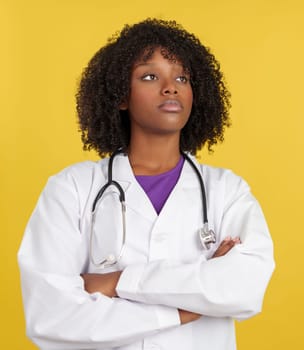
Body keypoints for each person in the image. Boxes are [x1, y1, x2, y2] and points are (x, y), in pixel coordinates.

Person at [18, 18, 275, 349]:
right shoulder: (72, 189)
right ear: (121, 96)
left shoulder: (227, 192)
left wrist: (116, 282)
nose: (171, 87)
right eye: (150, 76)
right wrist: (187, 306)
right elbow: (51, 316)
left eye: (181, 77)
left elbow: (243, 289)